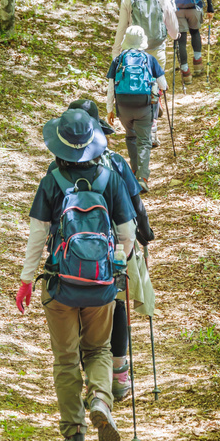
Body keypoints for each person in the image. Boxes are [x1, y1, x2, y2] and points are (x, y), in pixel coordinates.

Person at [15, 109, 136, 441]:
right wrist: (116, 268)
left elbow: (37, 235)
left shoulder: (52, 180)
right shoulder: (108, 178)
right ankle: (100, 398)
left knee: (66, 359)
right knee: (98, 349)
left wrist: (26, 281)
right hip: (100, 287)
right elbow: (127, 235)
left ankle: (74, 435)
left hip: (60, 285)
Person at [67, 98, 155, 401]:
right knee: (117, 304)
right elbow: (135, 205)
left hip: (73, 256)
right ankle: (118, 375)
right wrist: (145, 234)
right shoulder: (114, 162)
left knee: (78, 304)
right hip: (116, 250)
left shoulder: (60, 166)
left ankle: (89, 373)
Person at [106, 25, 168, 192]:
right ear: (142, 40)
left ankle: (133, 173)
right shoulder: (149, 59)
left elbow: (111, 87)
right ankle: (142, 177)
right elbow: (164, 84)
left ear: (126, 40)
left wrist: (109, 110)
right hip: (144, 105)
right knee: (144, 141)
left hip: (123, 107)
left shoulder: (118, 60)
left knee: (131, 136)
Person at [113, 0, 180, 71]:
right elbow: (174, 31)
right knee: (158, 82)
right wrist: (175, 36)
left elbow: (121, 28)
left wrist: (116, 52)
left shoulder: (128, 0)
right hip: (157, 50)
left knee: (137, 82)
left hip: (134, 53)